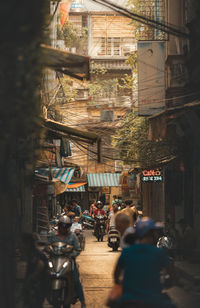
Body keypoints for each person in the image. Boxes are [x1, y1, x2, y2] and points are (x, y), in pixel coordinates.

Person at [113, 217, 176, 308]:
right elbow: (172, 273)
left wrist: (120, 283)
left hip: (128, 300)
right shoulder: (158, 253)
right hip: (153, 300)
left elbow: (116, 274)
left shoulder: (127, 252)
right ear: (152, 233)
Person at [48, 216, 86, 308]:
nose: (64, 228)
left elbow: (77, 249)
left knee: (76, 280)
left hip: (68, 261)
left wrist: (72, 255)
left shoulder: (72, 236)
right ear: (59, 226)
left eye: (66, 226)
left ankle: (82, 301)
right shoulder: (52, 235)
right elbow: (47, 245)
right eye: (62, 226)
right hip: (55, 260)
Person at [21, 233, 48, 308]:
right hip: (37, 286)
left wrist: (31, 278)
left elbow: (41, 265)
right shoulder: (31, 253)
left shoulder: (35, 253)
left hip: (38, 287)